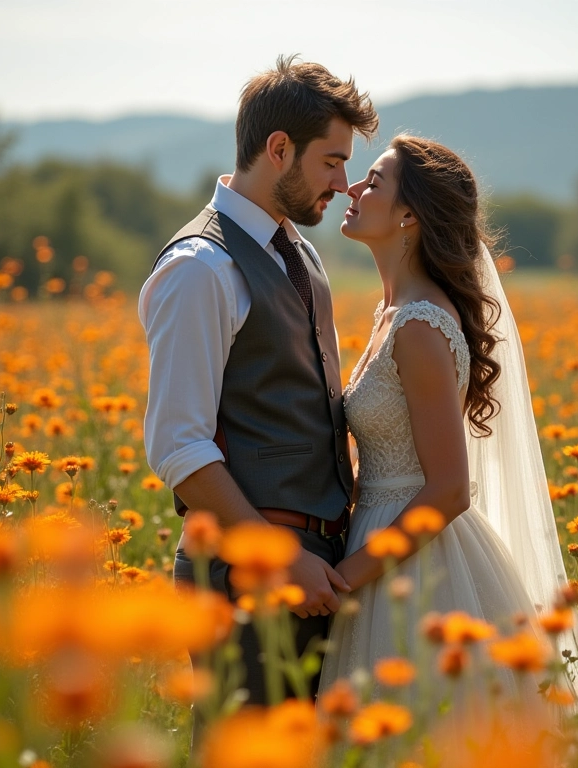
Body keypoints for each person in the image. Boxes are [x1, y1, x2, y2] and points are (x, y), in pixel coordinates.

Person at [138, 55, 378, 707]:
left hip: (314, 569)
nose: (343, 181)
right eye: (332, 160)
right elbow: (178, 447)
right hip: (246, 573)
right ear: (279, 149)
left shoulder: (295, 249)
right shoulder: (201, 268)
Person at [319, 135, 578, 709]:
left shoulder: (418, 325)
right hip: (381, 539)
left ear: (410, 214)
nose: (353, 187)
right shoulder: (393, 313)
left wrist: (347, 576)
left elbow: (447, 490)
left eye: (374, 180)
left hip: (415, 563)